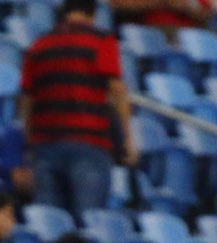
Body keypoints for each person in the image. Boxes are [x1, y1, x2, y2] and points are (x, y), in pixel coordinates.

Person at [18, 0, 134, 215]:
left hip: (46, 145)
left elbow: (26, 99)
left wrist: (29, 139)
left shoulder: (40, 45)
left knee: (50, 224)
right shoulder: (101, 40)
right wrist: (127, 139)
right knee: (89, 222)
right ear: (93, 13)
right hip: (89, 143)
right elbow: (117, 91)